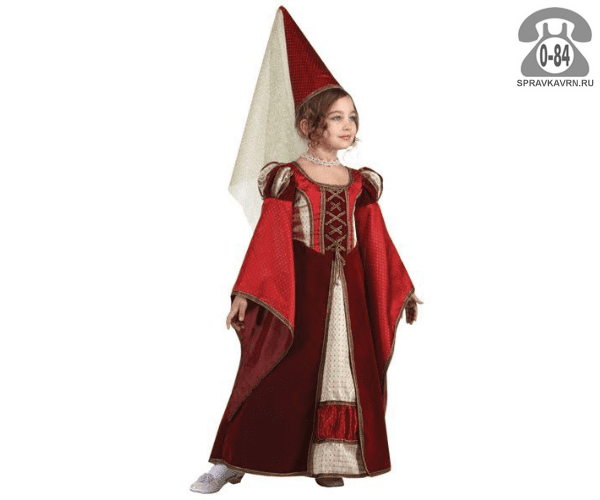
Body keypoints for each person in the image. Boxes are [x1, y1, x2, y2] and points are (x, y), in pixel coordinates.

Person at [190, 7, 422, 494]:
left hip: (348, 295)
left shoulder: (360, 183)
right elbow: (268, 238)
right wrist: (245, 292)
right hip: (298, 288)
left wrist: (402, 288)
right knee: (275, 370)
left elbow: (376, 240)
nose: (348, 125)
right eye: (336, 117)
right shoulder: (288, 178)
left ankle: (330, 457)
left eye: (352, 117)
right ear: (308, 124)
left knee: (346, 370)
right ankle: (231, 458)